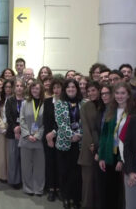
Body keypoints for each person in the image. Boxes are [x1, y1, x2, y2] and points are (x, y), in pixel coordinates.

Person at [98, 82, 135, 209]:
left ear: (129, 95)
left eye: (123, 93)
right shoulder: (110, 110)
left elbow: (130, 140)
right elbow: (104, 135)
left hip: (124, 156)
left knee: (121, 191)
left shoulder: (132, 113)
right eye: (117, 93)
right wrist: (102, 156)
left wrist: (121, 159)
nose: (119, 96)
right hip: (109, 154)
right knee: (109, 188)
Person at [54, 79, 84, 209]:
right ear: (65, 90)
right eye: (68, 87)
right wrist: (71, 135)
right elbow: (60, 123)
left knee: (76, 173)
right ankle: (66, 197)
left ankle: (76, 199)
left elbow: (86, 122)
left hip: (79, 144)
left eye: (73, 87)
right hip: (64, 143)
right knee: (64, 172)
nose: (71, 89)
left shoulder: (84, 103)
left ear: (77, 89)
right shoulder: (60, 104)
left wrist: (79, 135)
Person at [77, 81, 103, 209]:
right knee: (87, 180)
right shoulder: (85, 106)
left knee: (99, 181)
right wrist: (92, 145)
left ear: (99, 91)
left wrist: (100, 147)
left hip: (103, 147)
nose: (91, 93)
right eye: (89, 91)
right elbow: (86, 128)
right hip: (89, 147)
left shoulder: (105, 105)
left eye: (94, 90)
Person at [19, 81, 45, 196]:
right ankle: (28, 188)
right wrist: (27, 134)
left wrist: (37, 135)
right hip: (26, 139)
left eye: (37, 89)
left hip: (39, 140)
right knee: (26, 166)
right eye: (33, 89)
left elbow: (46, 123)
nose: (35, 91)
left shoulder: (46, 103)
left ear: (41, 90)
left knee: (40, 167)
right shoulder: (25, 103)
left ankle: (38, 189)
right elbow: (22, 119)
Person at [43, 78, 63, 202]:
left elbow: (64, 121)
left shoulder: (66, 102)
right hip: (49, 138)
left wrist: (55, 133)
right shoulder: (47, 101)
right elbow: (45, 120)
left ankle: (59, 189)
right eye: (54, 88)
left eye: (58, 87)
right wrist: (48, 137)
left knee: (60, 164)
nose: (56, 90)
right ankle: (51, 189)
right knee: (50, 164)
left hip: (62, 137)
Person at [5, 78, 26, 189]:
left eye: (21, 86)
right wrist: (15, 128)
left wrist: (22, 129)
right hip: (12, 133)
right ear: (14, 88)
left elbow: (29, 117)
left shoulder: (27, 100)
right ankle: (14, 180)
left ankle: (24, 180)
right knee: (13, 158)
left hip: (25, 133)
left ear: (24, 88)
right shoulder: (10, 100)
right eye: (17, 86)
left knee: (24, 158)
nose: (19, 88)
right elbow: (8, 117)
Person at [0, 79, 14, 181]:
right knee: (0, 153)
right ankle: (0, 175)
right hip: (1, 129)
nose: (8, 89)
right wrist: (2, 127)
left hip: (12, 128)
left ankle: (10, 175)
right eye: (6, 87)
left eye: (10, 87)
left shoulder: (15, 99)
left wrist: (9, 127)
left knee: (10, 154)